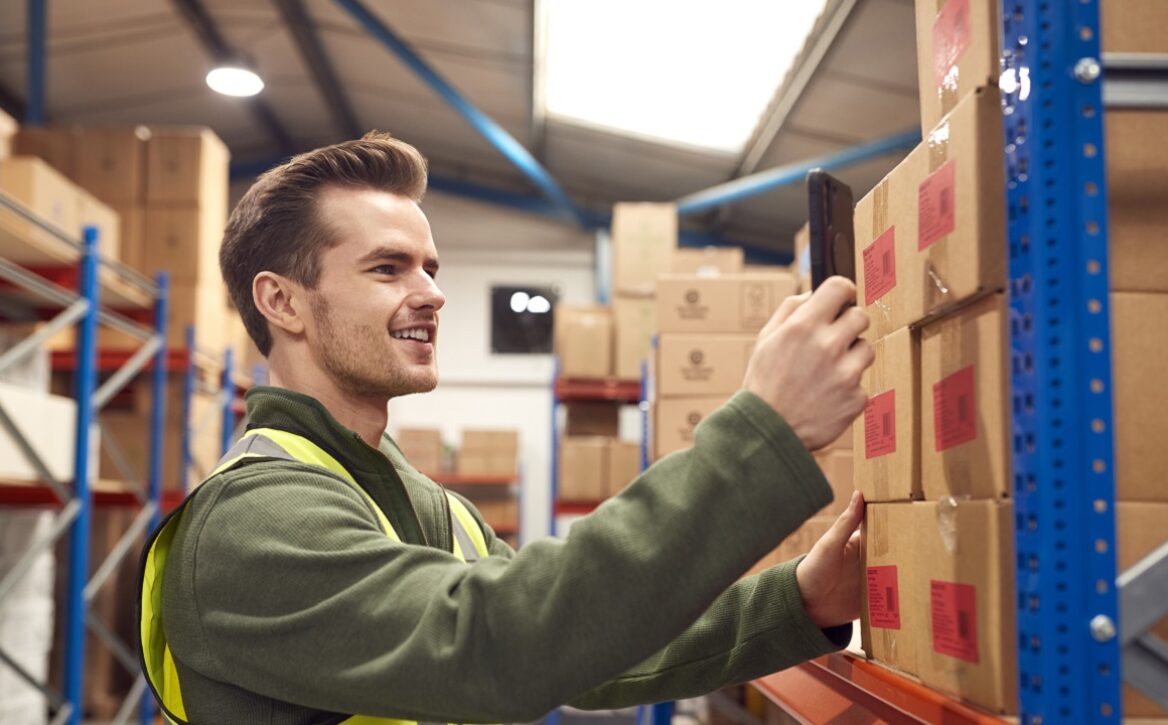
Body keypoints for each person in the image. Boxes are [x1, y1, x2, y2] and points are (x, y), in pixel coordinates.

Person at [137, 132, 874, 725]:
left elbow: (586, 639)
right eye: (389, 268)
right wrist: (761, 435)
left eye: (429, 267)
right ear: (282, 303)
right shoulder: (254, 522)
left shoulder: (424, 504)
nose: (432, 293)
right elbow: (500, 648)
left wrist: (797, 599)